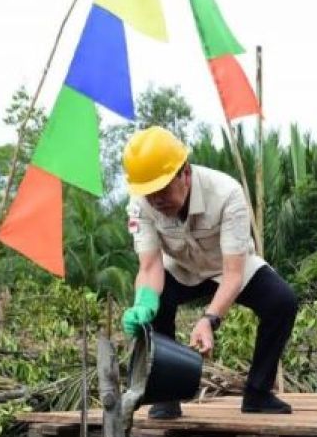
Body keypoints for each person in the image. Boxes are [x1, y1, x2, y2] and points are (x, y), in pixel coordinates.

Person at [119, 126, 297, 420]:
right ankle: (166, 396)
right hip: (183, 267)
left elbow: (233, 274)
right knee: (157, 302)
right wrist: (143, 304)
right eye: (149, 194)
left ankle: (258, 392)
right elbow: (150, 267)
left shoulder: (227, 194)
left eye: (162, 189)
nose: (156, 200)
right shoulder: (141, 206)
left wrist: (209, 320)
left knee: (282, 302)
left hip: (229, 266)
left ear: (185, 174)